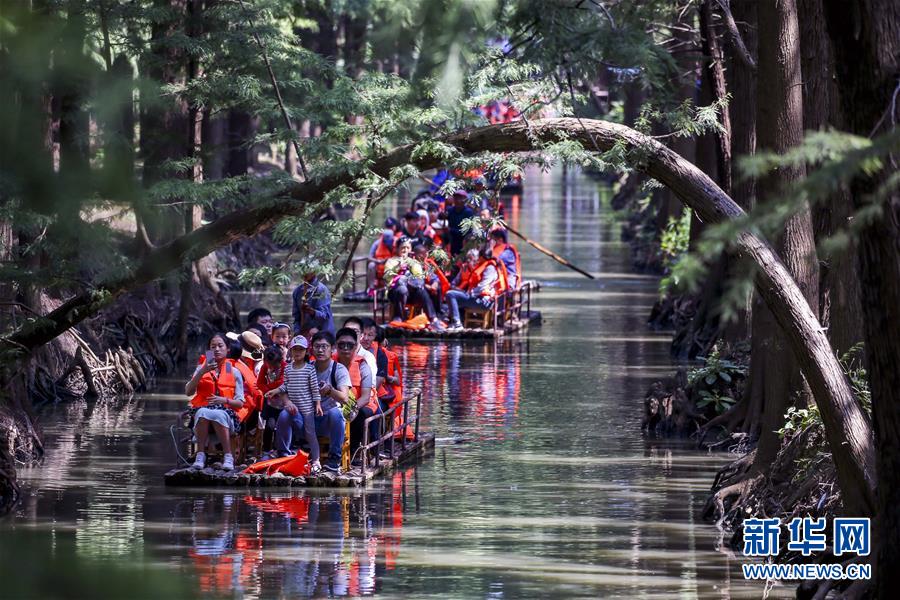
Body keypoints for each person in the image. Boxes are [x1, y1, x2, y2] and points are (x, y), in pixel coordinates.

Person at [185, 333, 246, 471]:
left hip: (227, 415)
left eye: (220, 346)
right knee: (202, 412)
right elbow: (188, 392)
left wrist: (224, 400)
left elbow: (240, 403)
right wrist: (201, 372)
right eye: (213, 347)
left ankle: (228, 456)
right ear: (208, 350)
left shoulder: (234, 371)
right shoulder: (200, 369)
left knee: (218, 414)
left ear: (227, 349)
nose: (217, 349)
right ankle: (200, 456)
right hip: (203, 412)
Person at [265, 336, 323, 474]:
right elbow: (285, 386)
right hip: (292, 407)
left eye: (300, 350)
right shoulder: (288, 369)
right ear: (290, 351)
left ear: (306, 352)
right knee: (282, 419)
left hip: (307, 408)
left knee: (310, 434)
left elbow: (315, 389)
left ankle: (316, 460)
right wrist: (275, 391)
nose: (297, 352)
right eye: (295, 349)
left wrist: (318, 404)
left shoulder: (309, 369)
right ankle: (284, 454)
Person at [334, 327, 381, 465]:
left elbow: (366, 397)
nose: (346, 348)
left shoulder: (363, 365)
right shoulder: (329, 362)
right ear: (336, 345)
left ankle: (354, 451)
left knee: (359, 415)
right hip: (334, 403)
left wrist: (350, 409)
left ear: (356, 346)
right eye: (342, 345)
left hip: (361, 403)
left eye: (350, 345)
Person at [311, 331, 350, 472]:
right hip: (310, 417)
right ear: (312, 348)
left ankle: (334, 459)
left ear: (332, 349)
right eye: (316, 346)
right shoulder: (307, 368)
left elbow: (344, 398)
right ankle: (288, 453)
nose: (320, 350)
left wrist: (329, 390)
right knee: (286, 414)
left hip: (330, 420)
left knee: (335, 412)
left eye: (324, 346)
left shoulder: (339, 369)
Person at [384, 239, 444, 330]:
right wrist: (398, 267)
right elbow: (387, 278)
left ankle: (433, 319)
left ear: (410, 249)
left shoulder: (415, 263)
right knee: (402, 288)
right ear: (397, 249)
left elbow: (419, 279)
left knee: (421, 289)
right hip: (395, 292)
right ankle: (398, 317)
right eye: (403, 247)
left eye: (407, 248)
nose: (405, 250)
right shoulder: (391, 261)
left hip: (411, 293)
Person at [446, 247, 504, 329]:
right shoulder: (480, 266)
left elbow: (482, 287)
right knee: (452, 296)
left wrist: (468, 293)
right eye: (468, 259)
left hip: (483, 300)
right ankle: (456, 321)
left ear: (481, 257)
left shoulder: (489, 268)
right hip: (478, 297)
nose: (469, 261)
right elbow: (454, 283)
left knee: (450, 295)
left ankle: (457, 324)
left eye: (473, 259)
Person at [256, 345, 286, 453]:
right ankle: (266, 450)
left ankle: (280, 449)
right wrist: (268, 390)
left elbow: (282, 382)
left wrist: (271, 389)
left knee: (282, 427)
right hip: (271, 403)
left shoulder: (285, 367)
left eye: (275, 364)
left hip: (284, 403)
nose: (273, 367)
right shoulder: (265, 367)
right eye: (270, 364)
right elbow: (259, 383)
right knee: (270, 426)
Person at [292, 269, 335, 337]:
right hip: (304, 336)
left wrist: (310, 311)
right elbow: (296, 317)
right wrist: (297, 332)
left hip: (323, 335)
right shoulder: (297, 291)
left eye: (308, 269)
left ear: (314, 272)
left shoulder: (321, 290)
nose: (305, 273)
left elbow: (324, 316)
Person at [414, 242, 449, 314]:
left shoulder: (426, 264)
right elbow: (416, 282)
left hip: (428, 288)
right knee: (424, 290)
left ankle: (437, 312)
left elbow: (434, 277)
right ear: (415, 255)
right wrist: (428, 287)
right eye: (421, 254)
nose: (423, 256)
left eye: (424, 254)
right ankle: (431, 315)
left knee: (437, 287)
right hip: (416, 290)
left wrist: (435, 283)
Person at [341, 317, 378, 383]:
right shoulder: (333, 355)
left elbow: (372, 385)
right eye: (347, 331)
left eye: (355, 331)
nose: (351, 335)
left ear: (361, 335)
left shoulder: (368, 358)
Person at [366, 224, 395, 291]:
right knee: (371, 265)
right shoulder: (376, 244)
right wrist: (378, 261)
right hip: (379, 266)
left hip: (392, 267)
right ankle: (371, 288)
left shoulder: (396, 243)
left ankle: (391, 287)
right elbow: (369, 258)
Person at [446, 189, 475, 255]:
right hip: (452, 240)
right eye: (456, 198)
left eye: (460, 198)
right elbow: (442, 218)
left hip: (463, 241)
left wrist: (451, 230)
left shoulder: (468, 212)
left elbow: (466, 231)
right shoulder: (450, 210)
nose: (458, 201)